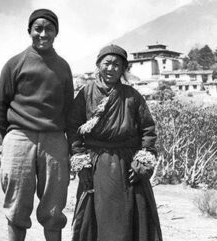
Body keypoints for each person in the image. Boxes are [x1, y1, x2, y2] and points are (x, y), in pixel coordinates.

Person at [67, 44, 163, 241]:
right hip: (95, 165)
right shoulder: (86, 94)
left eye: (117, 65)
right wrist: (80, 161)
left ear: (123, 69)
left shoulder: (132, 96)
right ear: (98, 65)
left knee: (129, 219)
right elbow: (73, 128)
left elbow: (147, 130)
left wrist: (143, 161)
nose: (111, 68)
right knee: (94, 220)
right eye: (107, 63)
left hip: (127, 166)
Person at [0, 9, 74, 241]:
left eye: (49, 29)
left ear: (56, 33)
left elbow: (68, 109)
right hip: (19, 138)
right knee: (17, 206)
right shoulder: (14, 64)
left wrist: (67, 145)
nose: (43, 33)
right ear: (29, 30)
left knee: (54, 207)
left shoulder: (63, 67)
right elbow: (1, 106)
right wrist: (12, 137)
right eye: (38, 28)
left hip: (54, 139)